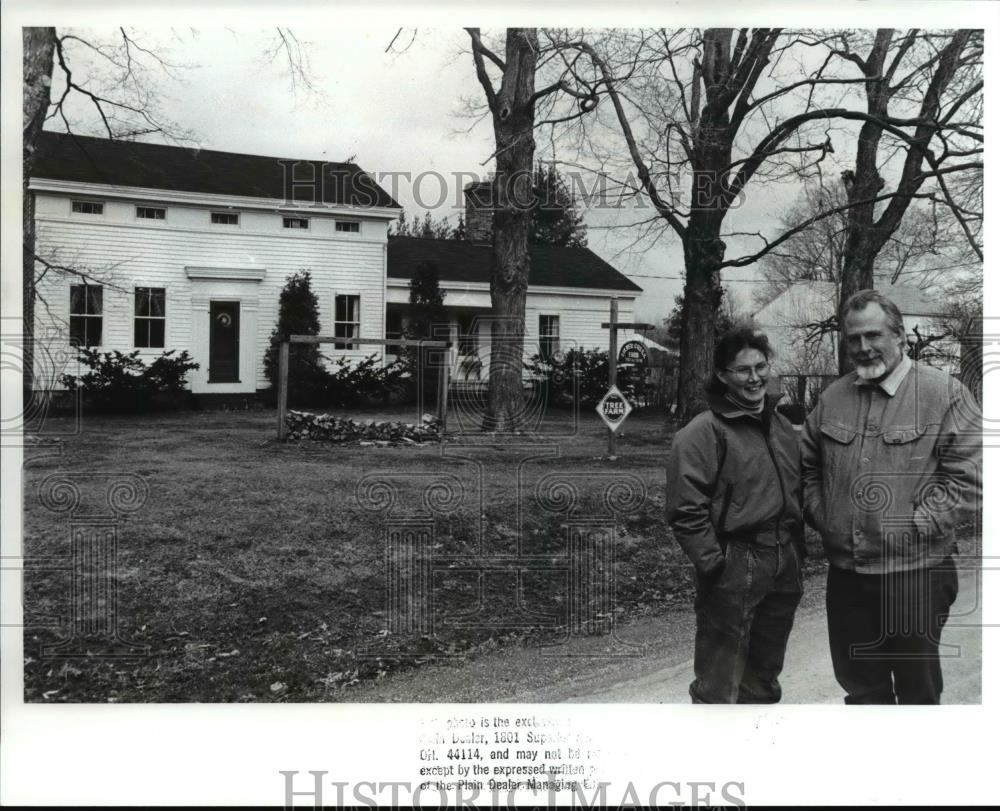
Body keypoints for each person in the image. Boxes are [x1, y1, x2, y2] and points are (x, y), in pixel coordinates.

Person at [801, 289, 981, 704]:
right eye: (853, 339)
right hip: (846, 576)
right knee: (863, 693)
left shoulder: (943, 394)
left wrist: (917, 525)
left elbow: (972, 478)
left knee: (917, 695)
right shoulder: (832, 398)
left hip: (914, 574)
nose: (863, 348)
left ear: (900, 336)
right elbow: (807, 467)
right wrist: (824, 514)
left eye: (874, 335)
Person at [666, 325, 805, 703]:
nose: (755, 377)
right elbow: (685, 510)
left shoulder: (780, 425)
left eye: (761, 366)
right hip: (735, 561)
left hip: (782, 558)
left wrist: (796, 551)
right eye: (743, 370)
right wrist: (715, 565)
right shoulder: (701, 433)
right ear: (723, 375)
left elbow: (796, 489)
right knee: (719, 682)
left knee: (764, 677)